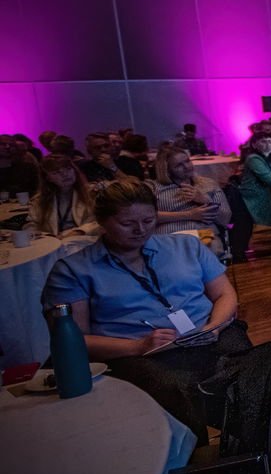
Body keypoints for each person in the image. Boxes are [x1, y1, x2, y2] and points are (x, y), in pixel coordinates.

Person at [42, 179, 250, 439]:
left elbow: (225, 294)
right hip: (139, 355)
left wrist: (214, 327)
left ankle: (252, 450)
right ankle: (193, 464)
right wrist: (138, 346)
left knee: (253, 374)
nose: (140, 230)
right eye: (127, 223)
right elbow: (74, 339)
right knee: (173, 389)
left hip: (207, 335)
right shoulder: (75, 270)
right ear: (102, 221)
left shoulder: (186, 246)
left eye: (149, 221)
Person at [150, 145, 233, 256]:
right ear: (167, 170)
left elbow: (225, 219)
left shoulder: (207, 184)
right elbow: (147, 217)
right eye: (178, 165)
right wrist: (189, 215)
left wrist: (205, 200)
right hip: (169, 238)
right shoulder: (153, 188)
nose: (187, 167)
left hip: (203, 236)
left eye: (187, 161)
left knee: (206, 252)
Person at [25, 154, 100, 236]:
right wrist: (35, 234)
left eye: (68, 169)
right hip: (54, 241)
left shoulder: (92, 194)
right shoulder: (40, 199)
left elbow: (99, 222)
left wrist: (79, 232)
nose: (65, 174)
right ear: (48, 178)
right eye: (56, 172)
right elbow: (32, 223)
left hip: (83, 240)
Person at [239, 133, 271, 227]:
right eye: (263, 141)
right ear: (254, 144)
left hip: (264, 194)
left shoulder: (267, 158)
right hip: (255, 196)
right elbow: (270, 179)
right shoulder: (253, 158)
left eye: (270, 141)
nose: (268, 144)